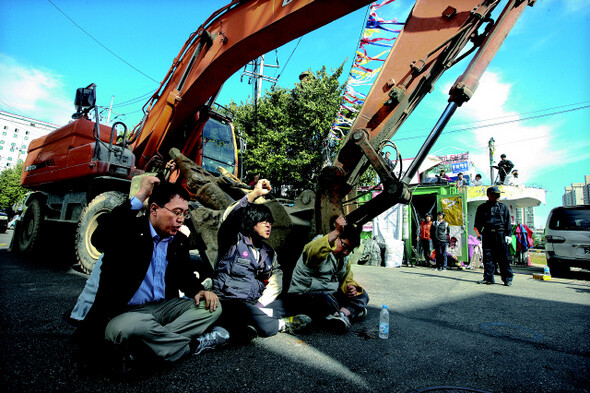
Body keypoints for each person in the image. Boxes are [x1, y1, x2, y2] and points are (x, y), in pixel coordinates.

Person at [74, 176, 228, 367]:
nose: (181, 220)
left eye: (185, 214)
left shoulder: (178, 240)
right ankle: (191, 345)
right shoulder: (130, 231)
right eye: (176, 212)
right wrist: (140, 196)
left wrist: (199, 291)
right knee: (132, 328)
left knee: (212, 307)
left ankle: (147, 345)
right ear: (154, 209)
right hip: (124, 314)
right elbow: (99, 237)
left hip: (161, 309)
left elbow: (184, 276)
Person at [212, 179, 310, 341]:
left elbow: (276, 280)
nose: (268, 226)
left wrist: (260, 306)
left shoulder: (269, 252)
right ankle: (279, 325)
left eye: (270, 222)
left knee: (292, 302)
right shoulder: (232, 241)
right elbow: (230, 220)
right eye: (264, 222)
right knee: (240, 310)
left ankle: (251, 323)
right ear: (251, 224)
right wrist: (254, 194)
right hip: (229, 302)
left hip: (254, 303)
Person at [286, 215, 369, 333]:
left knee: (362, 295)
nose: (345, 252)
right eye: (344, 246)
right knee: (325, 299)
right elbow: (314, 252)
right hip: (304, 296)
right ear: (336, 237)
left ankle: (341, 315)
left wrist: (351, 288)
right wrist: (336, 231)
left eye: (349, 250)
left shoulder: (343, 259)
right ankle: (350, 312)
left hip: (330, 296)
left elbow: (347, 278)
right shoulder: (318, 245)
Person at [474, 186, 514, 286]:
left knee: (503, 258)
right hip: (487, 234)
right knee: (487, 258)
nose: (496, 197)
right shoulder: (482, 208)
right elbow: (477, 225)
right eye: (494, 195)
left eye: (497, 195)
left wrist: (509, 235)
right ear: (488, 195)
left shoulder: (503, 207)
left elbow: (508, 223)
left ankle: (507, 278)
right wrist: (479, 235)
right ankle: (488, 278)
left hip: (500, 234)